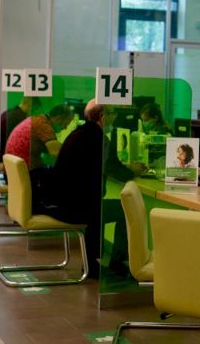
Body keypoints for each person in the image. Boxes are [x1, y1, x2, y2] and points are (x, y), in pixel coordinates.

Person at [48, 100, 146, 279]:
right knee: (125, 210)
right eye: (113, 114)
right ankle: (117, 263)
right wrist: (133, 170)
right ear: (103, 117)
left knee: (101, 208)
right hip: (76, 209)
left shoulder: (79, 133)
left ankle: (96, 263)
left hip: (64, 203)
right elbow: (114, 169)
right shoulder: (98, 138)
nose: (115, 117)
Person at [4, 104, 74, 209]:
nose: (65, 128)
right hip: (25, 173)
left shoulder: (37, 120)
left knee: (51, 170)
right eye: (66, 124)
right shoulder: (44, 126)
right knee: (63, 178)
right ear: (59, 119)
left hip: (14, 171)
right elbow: (56, 152)